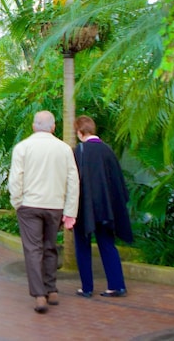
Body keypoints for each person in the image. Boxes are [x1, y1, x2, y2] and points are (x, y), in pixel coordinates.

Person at [8, 111, 80, 314]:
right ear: (53, 127)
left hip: (29, 205)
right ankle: (52, 289)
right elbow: (73, 181)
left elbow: (16, 178)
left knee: (33, 249)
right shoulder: (64, 149)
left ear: (33, 126)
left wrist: (17, 203)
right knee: (50, 246)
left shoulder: (22, 147)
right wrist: (70, 210)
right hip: (55, 205)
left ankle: (40, 295)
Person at [72, 115, 133, 298]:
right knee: (107, 245)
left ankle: (87, 287)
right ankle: (117, 285)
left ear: (80, 132)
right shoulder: (108, 150)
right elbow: (118, 183)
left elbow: (74, 180)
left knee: (82, 246)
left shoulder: (79, 150)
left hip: (85, 208)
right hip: (107, 209)